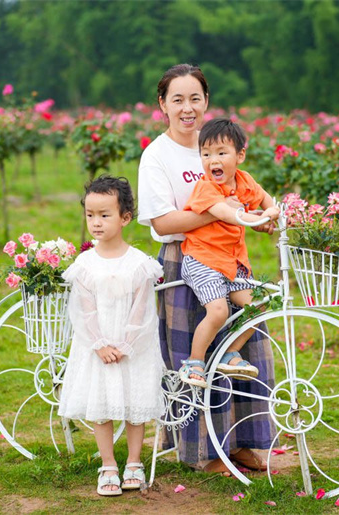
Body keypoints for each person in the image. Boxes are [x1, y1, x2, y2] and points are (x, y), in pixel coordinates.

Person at [137, 63, 275, 474]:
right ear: (162, 104)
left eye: (194, 98)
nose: (187, 108)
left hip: (231, 256)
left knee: (247, 346)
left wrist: (253, 216)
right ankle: (205, 452)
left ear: (206, 101)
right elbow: (163, 223)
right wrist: (224, 214)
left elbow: (245, 196)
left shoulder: (217, 142)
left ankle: (243, 443)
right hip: (185, 262)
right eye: (177, 99)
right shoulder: (156, 155)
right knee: (194, 357)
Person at [58, 176, 165, 496]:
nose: (96, 222)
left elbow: (143, 310)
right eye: (90, 215)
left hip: (134, 347)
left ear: (125, 217)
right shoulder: (85, 264)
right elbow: (82, 309)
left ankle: (134, 461)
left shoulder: (140, 265)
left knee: (135, 402)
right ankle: (108, 465)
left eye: (105, 215)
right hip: (98, 347)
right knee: (101, 402)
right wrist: (99, 344)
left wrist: (127, 344)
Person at [178, 118, 279, 388]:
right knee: (219, 311)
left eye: (222, 153)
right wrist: (251, 216)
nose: (214, 161)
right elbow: (224, 212)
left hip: (232, 263)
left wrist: (271, 214)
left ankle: (230, 353)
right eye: (206, 154)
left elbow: (270, 202)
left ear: (240, 155)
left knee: (259, 305)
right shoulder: (206, 188)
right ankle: (194, 362)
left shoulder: (246, 182)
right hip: (202, 259)